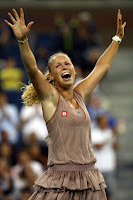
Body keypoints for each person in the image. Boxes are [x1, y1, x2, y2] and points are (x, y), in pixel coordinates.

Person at [5, 8, 126, 200]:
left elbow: (101, 66)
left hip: (90, 179)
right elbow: (32, 69)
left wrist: (117, 38)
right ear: (52, 77)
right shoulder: (50, 98)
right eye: (58, 65)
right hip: (60, 181)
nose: (65, 67)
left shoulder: (80, 93)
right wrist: (22, 41)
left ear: (74, 71)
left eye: (67, 63)